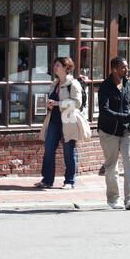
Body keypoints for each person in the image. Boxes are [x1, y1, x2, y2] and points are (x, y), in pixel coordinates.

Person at [97, 56, 130, 210]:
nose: (127, 70)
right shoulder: (105, 87)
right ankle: (113, 198)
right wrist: (125, 117)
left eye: (127, 66)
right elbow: (105, 110)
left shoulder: (129, 85)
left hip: (128, 130)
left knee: (129, 161)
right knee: (111, 166)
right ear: (114, 69)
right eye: (123, 67)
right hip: (109, 131)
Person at [36, 56, 84, 189]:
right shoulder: (55, 83)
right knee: (49, 150)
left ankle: (69, 181)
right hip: (54, 121)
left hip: (68, 121)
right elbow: (52, 101)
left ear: (66, 67)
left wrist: (58, 103)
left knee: (69, 152)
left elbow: (77, 103)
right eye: (55, 65)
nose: (55, 67)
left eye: (58, 65)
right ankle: (47, 180)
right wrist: (49, 105)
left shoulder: (73, 84)